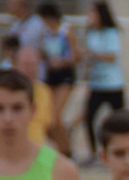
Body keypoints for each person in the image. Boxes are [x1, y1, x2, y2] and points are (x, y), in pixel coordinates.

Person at [81, 1, 125, 164]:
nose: (90, 17)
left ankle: (120, 151)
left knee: (120, 121)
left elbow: (112, 56)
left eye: (93, 13)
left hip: (113, 84)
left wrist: (93, 55)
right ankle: (94, 154)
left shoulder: (111, 33)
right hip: (96, 84)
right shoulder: (91, 33)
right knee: (89, 118)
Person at [37, 2, 77, 156]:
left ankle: (67, 151)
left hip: (64, 75)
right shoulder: (44, 33)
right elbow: (43, 52)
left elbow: (74, 56)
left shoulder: (66, 31)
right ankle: (62, 146)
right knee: (48, 119)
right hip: (50, 76)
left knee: (55, 116)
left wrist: (61, 62)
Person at [12, 46, 52, 146]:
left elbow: (49, 127)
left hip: (39, 147)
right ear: (15, 67)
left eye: (33, 65)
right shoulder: (5, 93)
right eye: (25, 65)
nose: (30, 69)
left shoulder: (44, 91)